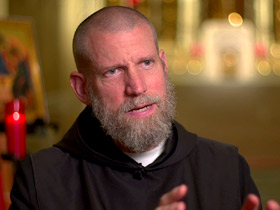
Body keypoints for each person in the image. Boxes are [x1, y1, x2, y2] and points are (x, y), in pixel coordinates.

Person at [9, 6, 279, 210]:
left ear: (164, 65)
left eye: (146, 64)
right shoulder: (40, 179)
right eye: (113, 71)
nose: (136, 87)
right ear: (82, 89)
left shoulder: (226, 166)